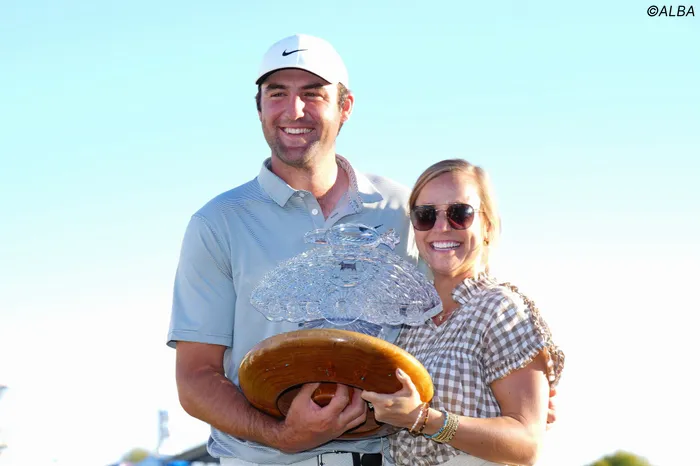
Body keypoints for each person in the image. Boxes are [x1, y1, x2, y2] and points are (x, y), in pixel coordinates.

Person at [167, 34, 558, 466]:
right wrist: (282, 435)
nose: (294, 110)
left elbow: (459, 307)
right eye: (277, 93)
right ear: (259, 106)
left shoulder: (405, 209)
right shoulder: (217, 223)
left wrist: (516, 390)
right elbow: (195, 378)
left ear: (345, 107)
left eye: (313, 94)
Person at [361, 159, 565, 466]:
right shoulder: (407, 321)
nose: (441, 227)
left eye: (460, 214)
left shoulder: (501, 309)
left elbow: (527, 443)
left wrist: (424, 419)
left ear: (487, 226)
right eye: (425, 215)